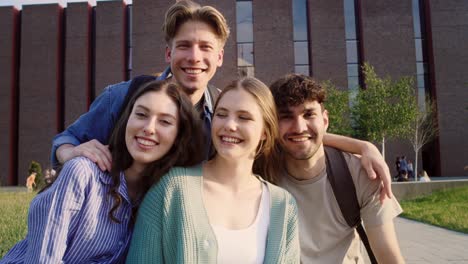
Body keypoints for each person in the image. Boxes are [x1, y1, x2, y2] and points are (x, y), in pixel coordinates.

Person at [50, 0, 393, 200]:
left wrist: (360, 146)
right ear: (169, 52)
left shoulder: (223, 115)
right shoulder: (124, 96)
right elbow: (65, 140)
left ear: (219, 58)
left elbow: (276, 134)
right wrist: (72, 152)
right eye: (184, 46)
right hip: (105, 231)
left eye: (205, 48)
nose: (193, 57)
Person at [0, 80, 204, 263]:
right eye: (141, 115)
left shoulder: (158, 198)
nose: (149, 128)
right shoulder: (82, 173)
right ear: (127, 121)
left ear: (179, 136)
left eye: (165, 121)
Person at [126, 77, 299, 263]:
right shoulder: (171, 189)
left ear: (265, 130)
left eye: (244, 117)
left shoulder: (284, 206)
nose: (229, 125)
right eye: (221, 114)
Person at [269, 74, 405, 264]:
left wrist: (364, 147)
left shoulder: (361, 173)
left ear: (325, 121)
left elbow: (389, 258)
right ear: (273, 125)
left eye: (309, 114)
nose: (299, 127)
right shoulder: (262, 173)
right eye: (286, 116)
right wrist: (363, 145)